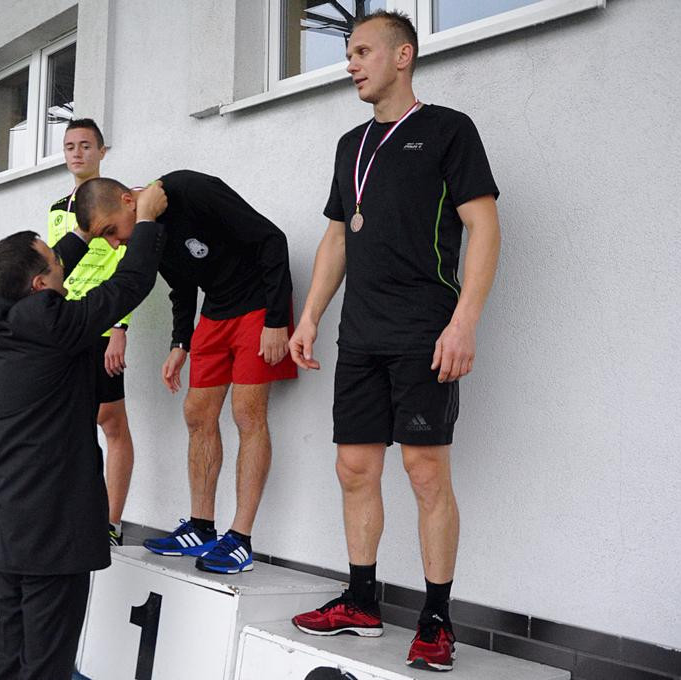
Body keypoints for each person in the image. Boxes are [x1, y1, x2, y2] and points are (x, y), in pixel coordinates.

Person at [288, 10, 501, 672]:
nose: (349, 63)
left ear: (402, 55)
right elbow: (335, 236)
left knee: (425, 469)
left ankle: (437, 619)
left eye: (360, 52)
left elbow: (484, 226)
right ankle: (360, 602)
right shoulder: (350, 143)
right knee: (354, 468)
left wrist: (464, 319)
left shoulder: (447, 131)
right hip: (362, 336)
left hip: (423, 331)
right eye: (348, 53)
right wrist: (311, 315)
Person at [0, 183, 167, 680]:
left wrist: (83, 228)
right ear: (40, 285)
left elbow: (48, 266)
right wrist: (144, 222)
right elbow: (129, 285)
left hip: (10, 522)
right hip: (52, 531)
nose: (61, 264)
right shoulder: (57, 327)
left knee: (8, 659)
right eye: (53, 264)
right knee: (45, 667)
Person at [75, 170, 296, 574]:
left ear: (128, 201)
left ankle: (241, 540)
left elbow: (272, 239)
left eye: (110, 231)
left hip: (258, 304)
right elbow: (182, 287)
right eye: (103, 238)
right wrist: (180, 345)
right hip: (217, 310)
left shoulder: (190, 189)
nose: (113, 242)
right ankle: (201, 527)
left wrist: (277, 319)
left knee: (247, 414)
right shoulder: (147, 232)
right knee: (197, 414)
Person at [47, 118, 135, 546]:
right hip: (68, 326)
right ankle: (74, 514)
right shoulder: (57, 210)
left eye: (85, 145)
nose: (77, 152)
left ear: (102, 151)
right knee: (72, 422)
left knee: (112, 420)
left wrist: (120, 328)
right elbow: (55, 272)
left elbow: (128, 267)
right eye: (69, 146)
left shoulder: (119, 200)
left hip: (105, 322)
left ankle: (111, 522)